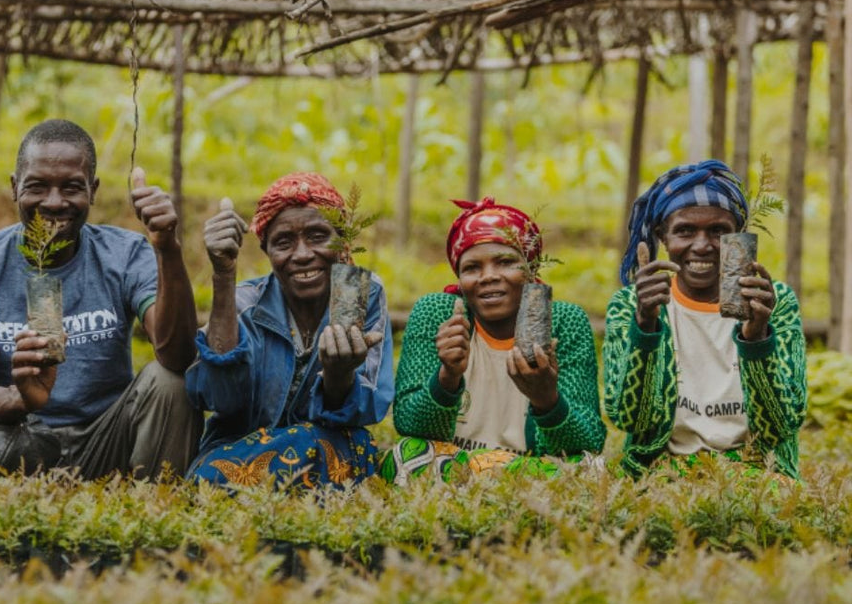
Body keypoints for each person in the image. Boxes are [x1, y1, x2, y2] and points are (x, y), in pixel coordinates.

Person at [0, 119, 200, 478]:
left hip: (107, 438)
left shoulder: (125, 254)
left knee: (170, 381)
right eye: (37, 187)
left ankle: (156, 504)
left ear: (93, 190)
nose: (54, 202)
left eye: (72, 187)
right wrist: (23, 398)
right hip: (21, 439)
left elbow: (178, 356)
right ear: (14, 188)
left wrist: (167, 249)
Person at [186, 173, 392, 489]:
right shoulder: (243, 303)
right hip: (242, 450)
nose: (303, 254)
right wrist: (223, 274)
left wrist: (338, 378)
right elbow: (216, 399)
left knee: (324, 443)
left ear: (341, 240)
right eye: (284, 242)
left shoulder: (355, 293)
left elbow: (370, 406)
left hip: (328, 446)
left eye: (318, 236)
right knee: (215, 472)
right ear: (266, 250)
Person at [604, 159, 806, 478]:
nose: (701, 246)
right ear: (662, 237)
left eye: (718, 231)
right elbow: (630, 420)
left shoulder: (772, 302)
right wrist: (645, 327)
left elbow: (783, 425)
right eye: (685, 231)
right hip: (661, 473)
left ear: (738, 237)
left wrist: (756, 339)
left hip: (755, 472)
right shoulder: (631, 304)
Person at [381, 197, 605, 483]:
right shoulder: (437, 313)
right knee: (407, 454)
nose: (488, 276)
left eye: (506, 262)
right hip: (456, 463)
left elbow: (589, 440)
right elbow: (409, 424)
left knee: (589, 468)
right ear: (459, 278)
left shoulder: (563, 321)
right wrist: (447, 377)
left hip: (529, 467)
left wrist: (547, 399)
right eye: (472, 268)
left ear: (531, 270)